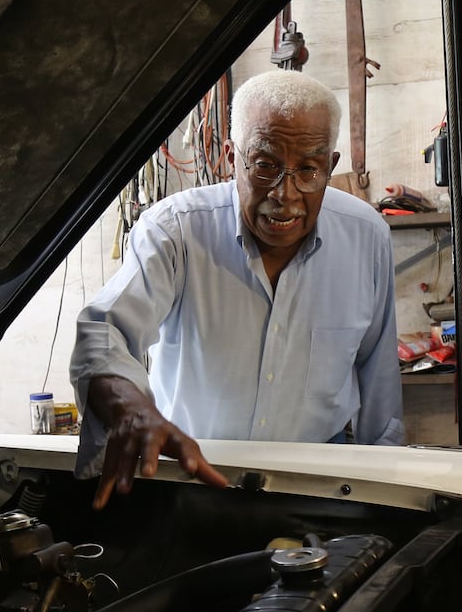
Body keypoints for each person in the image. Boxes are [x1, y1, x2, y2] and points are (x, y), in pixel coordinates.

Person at [70, 70, 405, 510]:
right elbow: (105, 329)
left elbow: (379, 381)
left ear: (330, 166)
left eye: (308, 169)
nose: (285, 195)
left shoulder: (367, 236)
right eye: (264, 165)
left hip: (316, 489)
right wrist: (129, 406)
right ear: (232, 156)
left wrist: (385, 496)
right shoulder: (175, 230)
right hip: (192, 481)